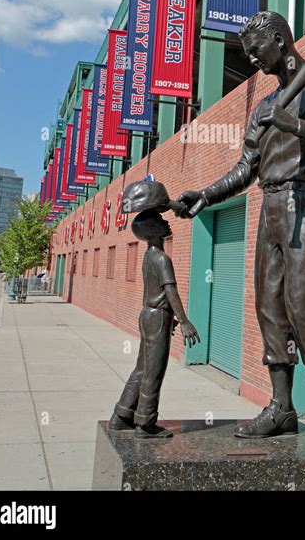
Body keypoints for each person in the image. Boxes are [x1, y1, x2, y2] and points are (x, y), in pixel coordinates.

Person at [177, 11, 305, 451]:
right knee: (270, 308)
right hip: (271, 206)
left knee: (303, 305)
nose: (253, 57)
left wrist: (294, 123)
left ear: (280, 39)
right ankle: (281, 407)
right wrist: (206, 194)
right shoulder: (262, 107)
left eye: (257, 48)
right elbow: (245, 169)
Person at [109, 180, 200, 439]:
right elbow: (170, 292)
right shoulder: (162, 258)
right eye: (161, 221)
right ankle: (145, 423)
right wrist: (183, 320)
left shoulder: (149, 256)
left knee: (141, 367)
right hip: (157, 316)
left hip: (149, 315)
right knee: (153, 371)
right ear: (152, 231)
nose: (167, 222)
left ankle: (121, 415)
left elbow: (154, 292)